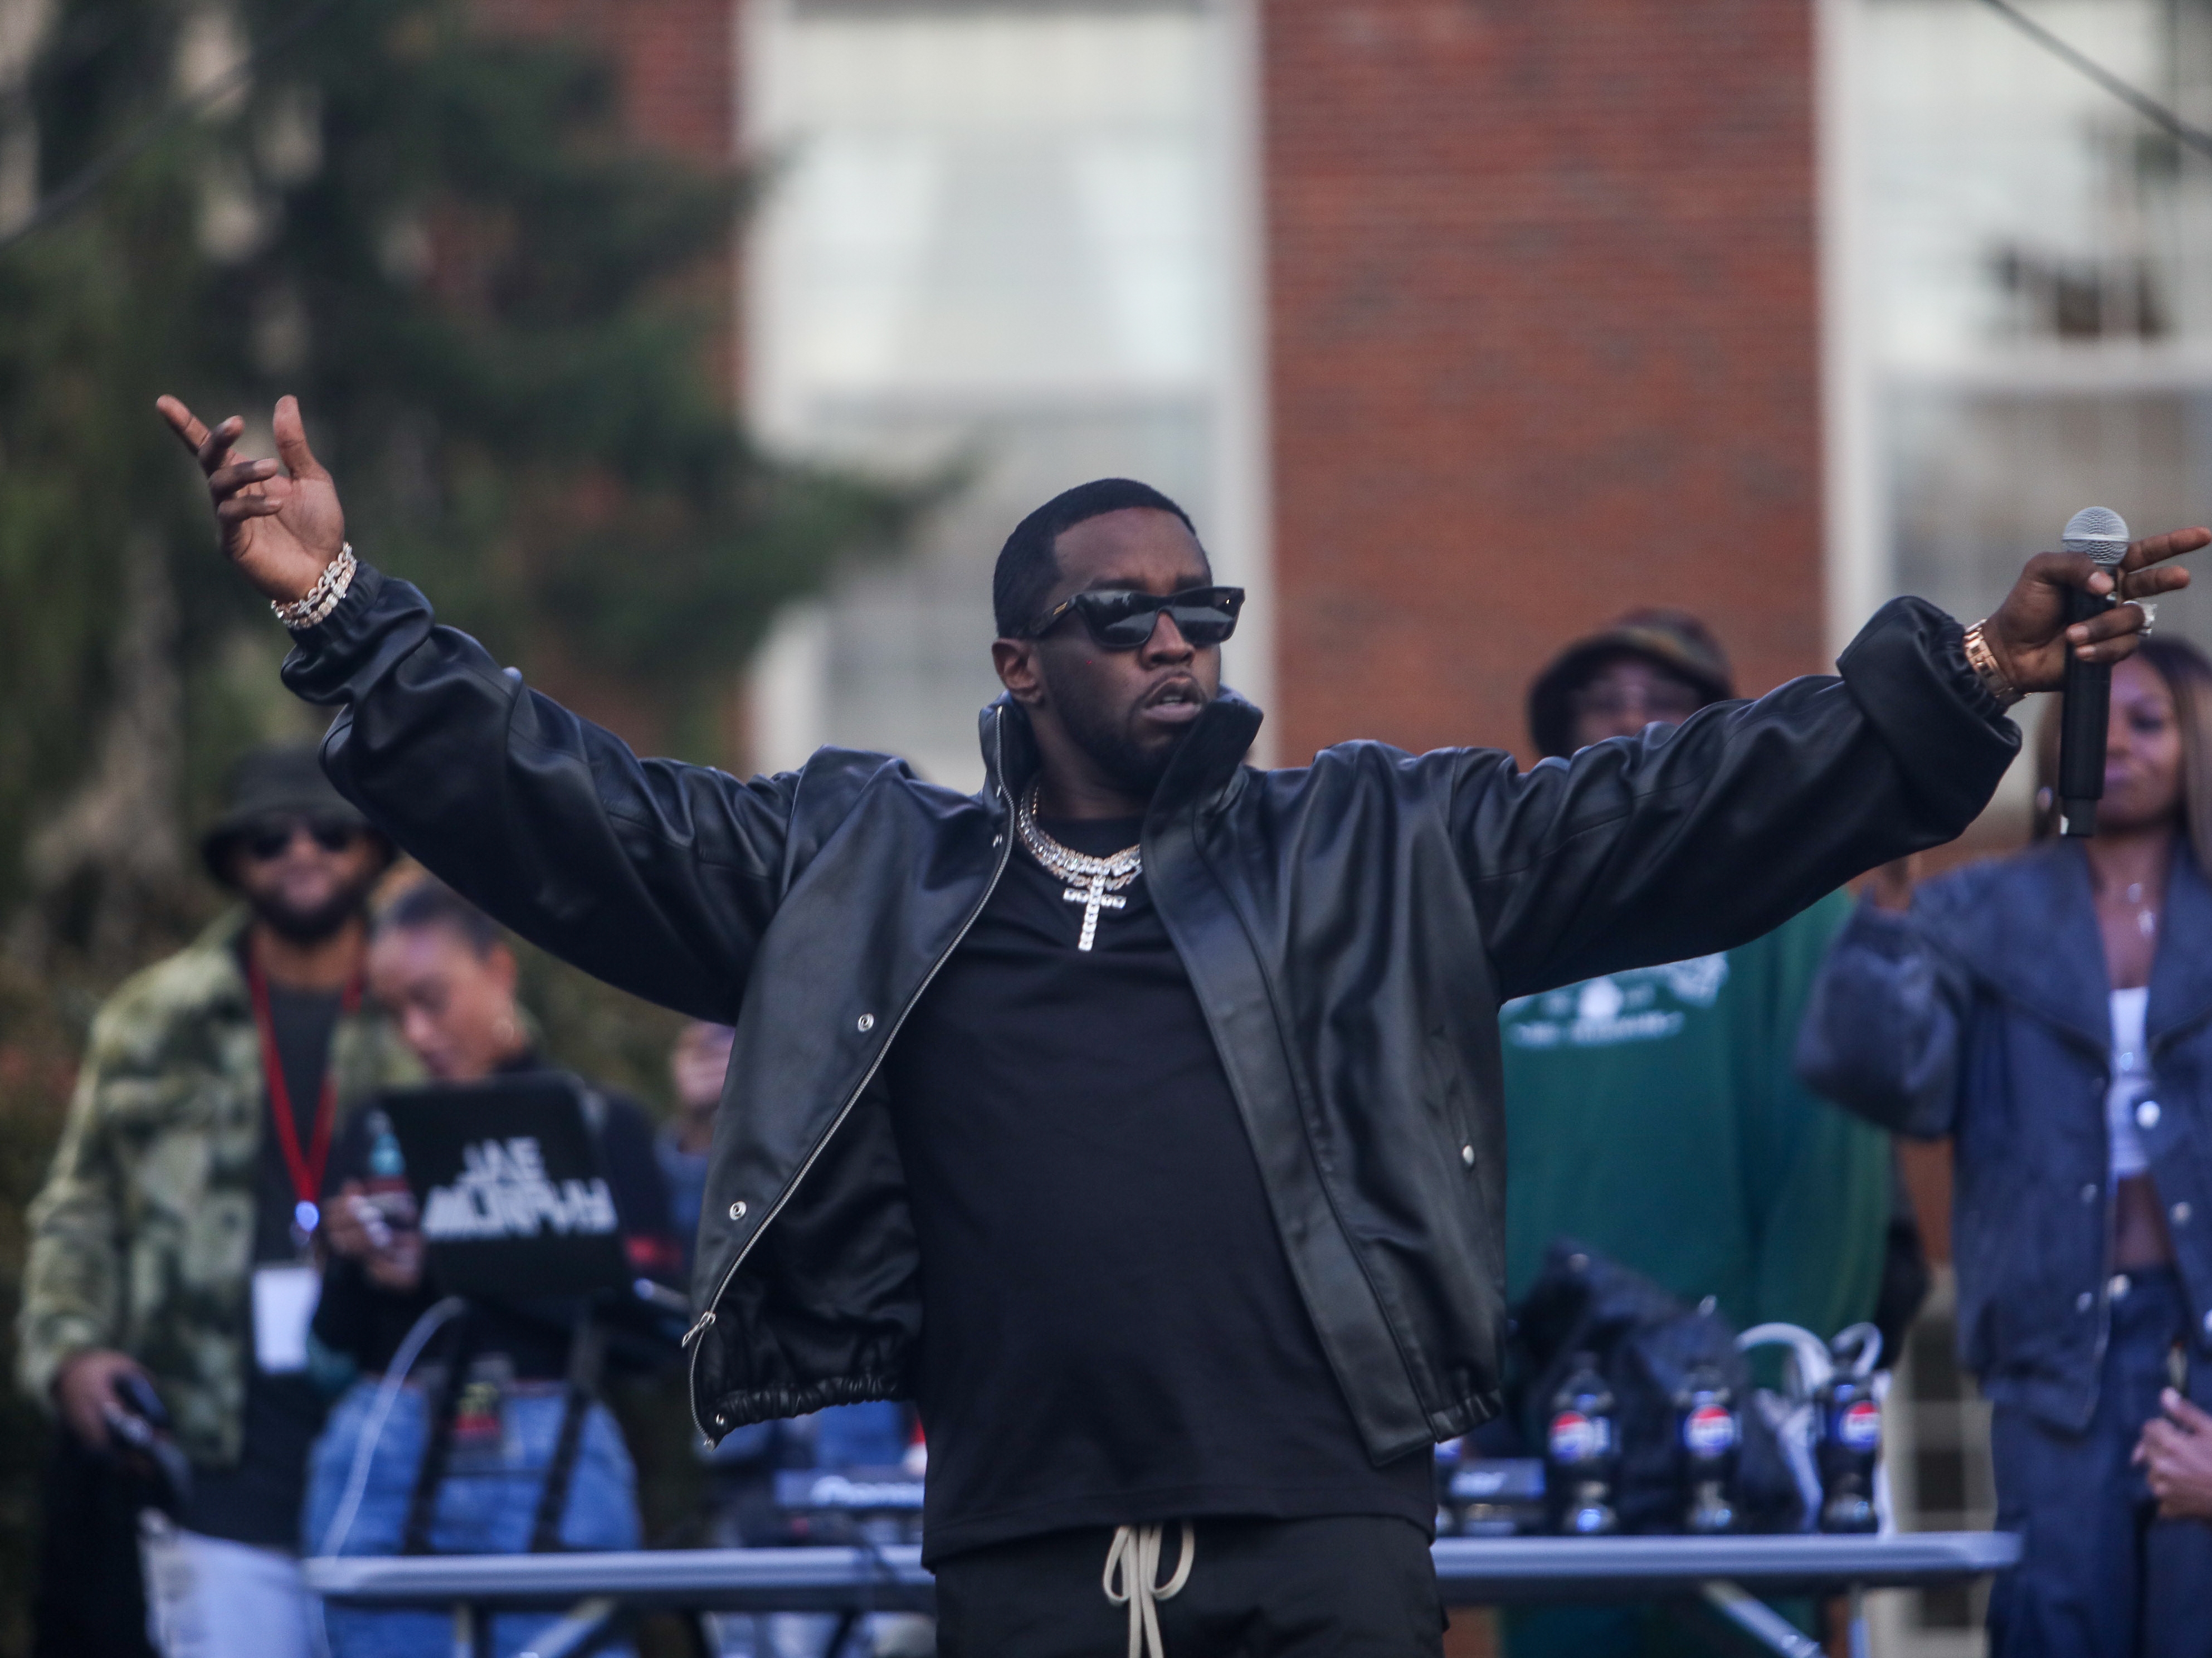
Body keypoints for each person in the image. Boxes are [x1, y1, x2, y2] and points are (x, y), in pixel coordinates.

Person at [160, 391, 2194, 1658]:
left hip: (1322, 1532)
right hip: (1026, 1536)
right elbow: (581, 812)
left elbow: (1676, 807)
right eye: (1118, 612)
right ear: (1015, 661)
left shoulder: (1372, 845)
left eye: (1197, 610)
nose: (1169, 637)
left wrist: (1968, 671)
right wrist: (344, 612)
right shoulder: (863, 870)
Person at [1799, 636, 2212, 1658]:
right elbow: (1888, 1080)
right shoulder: (1977, 909)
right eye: (2095, 715)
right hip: (2053, 1349)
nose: (2117, 742)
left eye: (2150, 722)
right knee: (2053, 1620)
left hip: (2199, 1341)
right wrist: (1890, 905)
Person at [1498, 613, 1899, 1658]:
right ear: (1558, 731)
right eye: (1603, 701)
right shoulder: (1498, 913)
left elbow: (1832, 1169)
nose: (1631, 722)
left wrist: (1775, 1386)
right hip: (1548, 1409)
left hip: (1730, 1407)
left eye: (1665, 703)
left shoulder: (1792, 903)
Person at [18, 744, 416, 1658]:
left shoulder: (426, 1006)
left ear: (372, 850)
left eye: (329, 833)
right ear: (235, 859)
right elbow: (80, 1207)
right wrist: (69, 1352)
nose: (301, 853)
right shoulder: (154, 1019)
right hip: (210, 1481)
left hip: (404, 1479)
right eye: (271, 838)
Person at [303, 880, 680, 1658]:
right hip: (386, 1441)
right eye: (393, 1010)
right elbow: (332, 1342)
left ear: (498, 972)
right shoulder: (378, 1125)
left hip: (549, 1444)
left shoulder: (597, 1121)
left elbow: (658, 1336)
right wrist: (350, 1262)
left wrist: (451, 1262)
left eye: (432, 1000)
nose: (416, 1033)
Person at [661, 1018, 735, 1277]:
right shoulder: (642, 1158)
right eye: (697, 1051)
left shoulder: (773, 1164)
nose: (709, 1059)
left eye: (724, 1049)